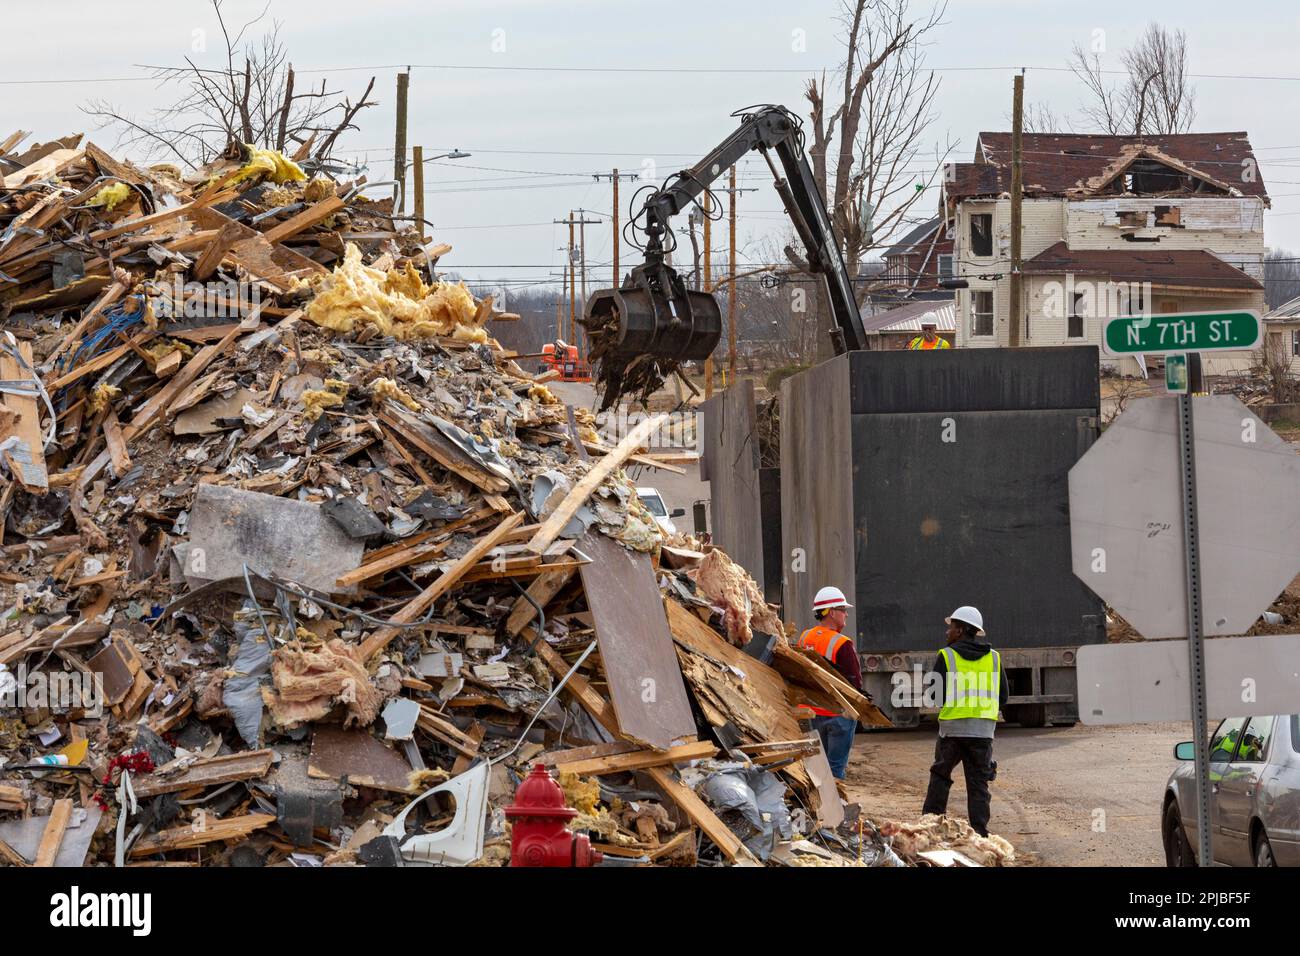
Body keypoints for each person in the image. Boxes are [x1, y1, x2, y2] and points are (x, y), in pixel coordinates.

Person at [921, 605, 1008, 837]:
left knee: (940, 777)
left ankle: (931, 827)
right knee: (978, 784)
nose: (947, 632)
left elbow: (935, 696)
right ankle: (980, 833)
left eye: (951, 628)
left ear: (960, 631)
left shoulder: (947, 655)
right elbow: (1003, 697)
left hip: (952, 732)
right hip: (982, 733)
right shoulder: (994, 658)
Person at [797, 586, 864, 785]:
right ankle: (835, 811)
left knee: (816, 769)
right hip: (838, 714)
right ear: (832, 612)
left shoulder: (804, 638)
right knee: (835, 771)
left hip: (811, 713)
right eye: (843, 610)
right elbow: (854, 682)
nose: (846, 614)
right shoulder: (842, 643)